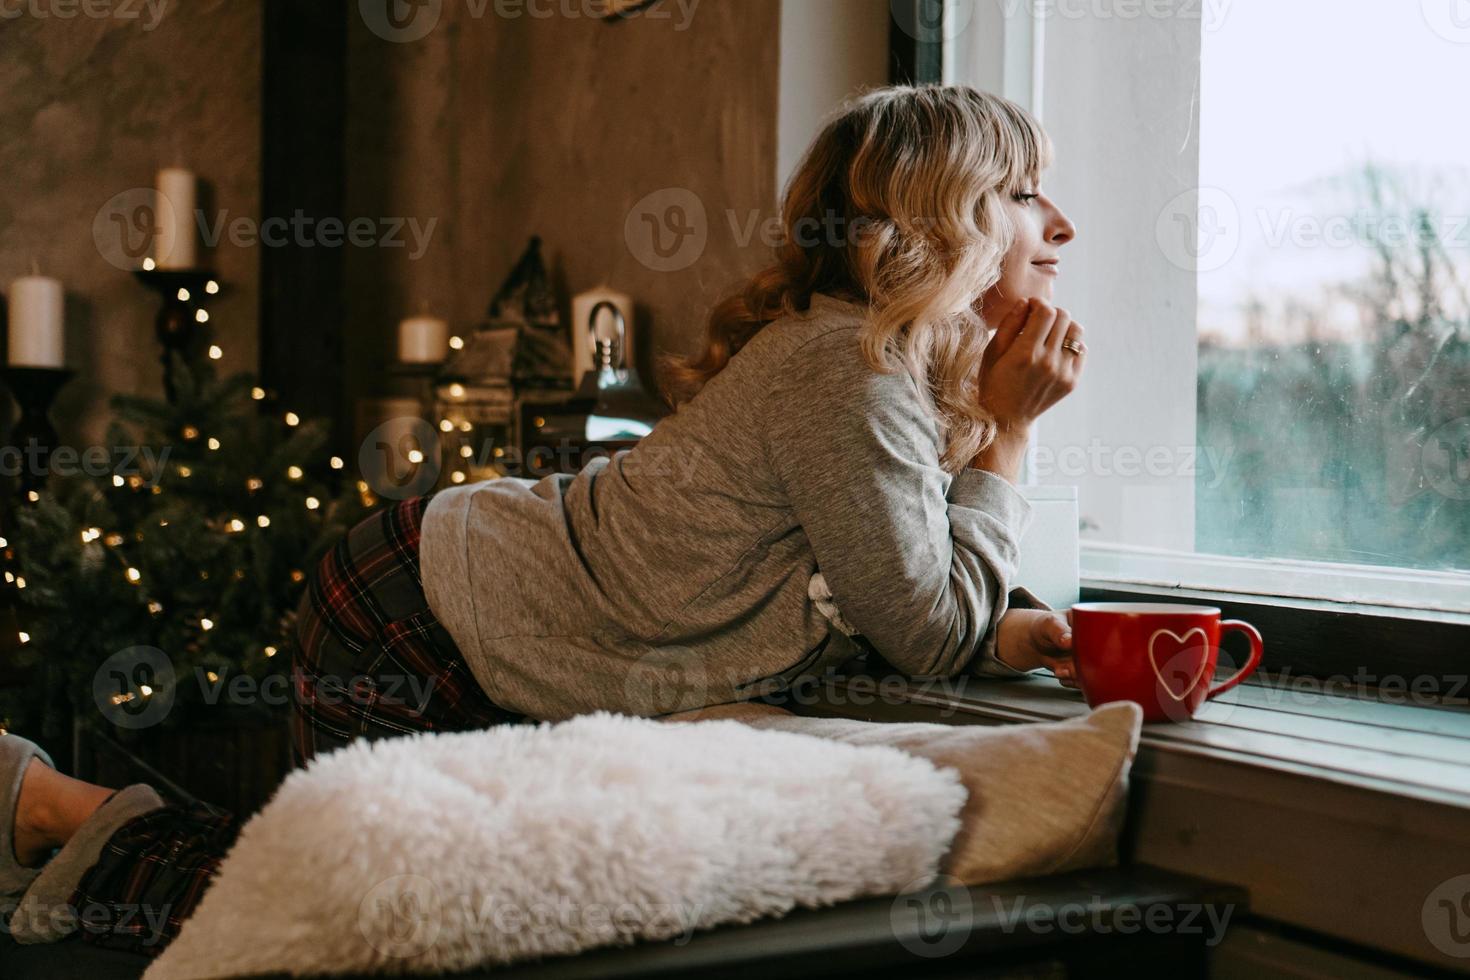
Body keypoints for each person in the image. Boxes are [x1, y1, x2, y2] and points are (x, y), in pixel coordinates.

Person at [0, 83, 1084, 957]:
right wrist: (1008, 437)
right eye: (1029, 190)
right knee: (351, 917)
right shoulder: (846, 373)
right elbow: (922, 629)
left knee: (369, 906)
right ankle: (51, 802)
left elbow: (886, 579)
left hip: (476, 616)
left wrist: (1010, 626)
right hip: (415, 612)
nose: (1063, 224)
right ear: (950, 213)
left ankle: (51, 807)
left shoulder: (875, 370)